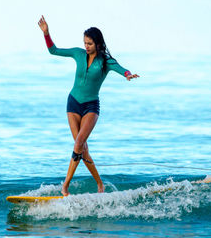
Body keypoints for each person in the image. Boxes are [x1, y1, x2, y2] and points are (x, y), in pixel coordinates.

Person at [38, 15, 140, 196]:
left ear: (98, 44)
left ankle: (65, 186)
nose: (86, 46)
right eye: (85, 43)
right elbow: (53, 51)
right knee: (82, 148)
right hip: (73, 103)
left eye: (90, 44)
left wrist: (128, 74)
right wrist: (46, 33)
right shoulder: (78, 53)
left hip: (91, 106)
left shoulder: (106, 62)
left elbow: (122, 69)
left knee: (78, 144)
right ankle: (100, 185)